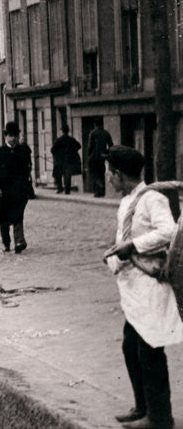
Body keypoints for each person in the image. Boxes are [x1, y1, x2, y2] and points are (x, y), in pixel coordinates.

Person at [103, 145, 182, 428]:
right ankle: (142, 406)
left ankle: (160, 418)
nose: (108, 179)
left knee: (149, 351)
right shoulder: (127, 202)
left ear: (120, 175)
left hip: (150, 285)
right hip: (133, 288)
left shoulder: (152, 200)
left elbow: (169, 231)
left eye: (110, 173)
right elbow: (123, 236)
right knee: (130, 348)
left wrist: (133, 245)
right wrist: (115, 258)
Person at [0, 121, 33, 253]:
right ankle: (6, 243)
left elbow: (28, 166)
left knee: (18, 215)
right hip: (3, 192)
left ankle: (19, 241)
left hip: (19, 190)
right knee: (3, 217)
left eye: (15, 135)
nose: (13, 138)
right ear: (5, 136)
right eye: (11, 135)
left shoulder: (22, 150)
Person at [51, 125, 82, 195]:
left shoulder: (58, 140)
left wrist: (58, 154)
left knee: (58, 174)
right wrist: (72, 152)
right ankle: (67, 191)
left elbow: (52, 150)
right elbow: (79, 146)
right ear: (68, 131)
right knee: (67, 175)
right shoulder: (71, 139)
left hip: (60, 161)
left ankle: (60, 188)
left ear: (61, 131)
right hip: (69, 160)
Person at [87, 122, 114, 198]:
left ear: (95, 124)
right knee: (101, 173)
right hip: (102, 157)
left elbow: (90, 146)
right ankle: (102, 192)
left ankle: (98, 191)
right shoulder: (106, 133)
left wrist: (89, 155)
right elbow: (111, 145)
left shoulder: (93, 133)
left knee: (94, 174)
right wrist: (106, 152)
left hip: (94, 157)